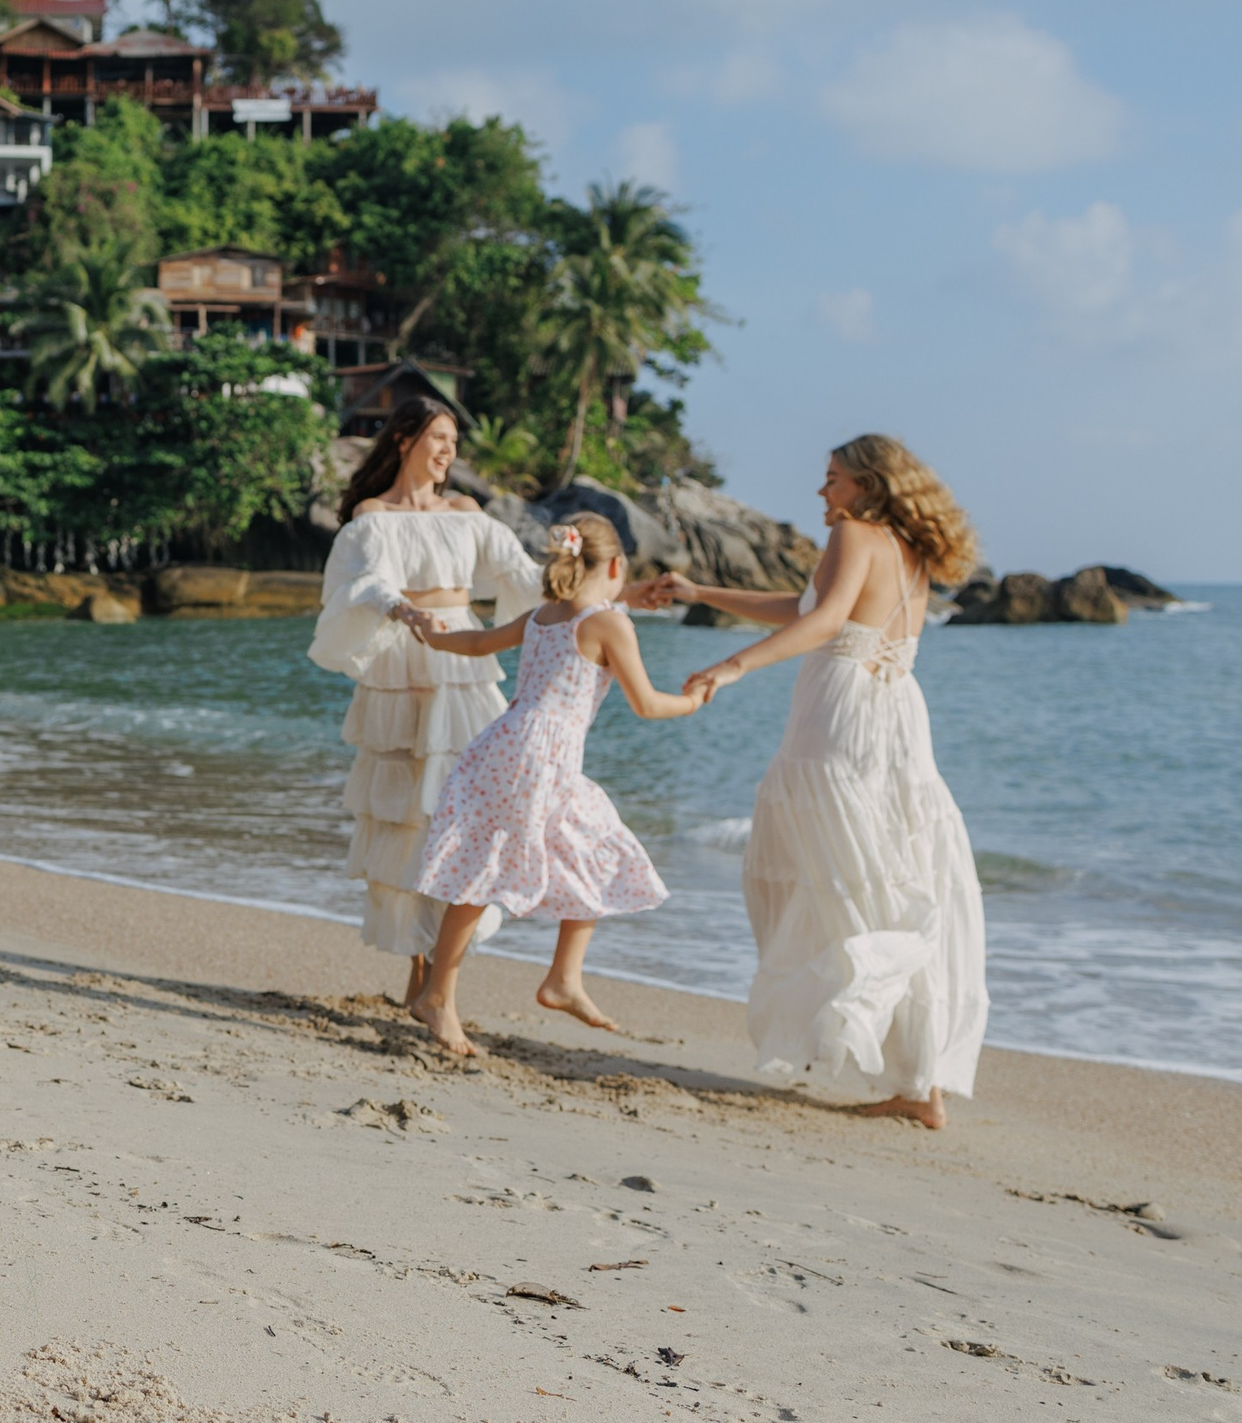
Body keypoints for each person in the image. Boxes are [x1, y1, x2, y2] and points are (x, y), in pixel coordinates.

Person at [635, 434, 985, 1130]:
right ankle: (920, 1083)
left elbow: (822, 622)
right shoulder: (907, 548)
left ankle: (892, 1061)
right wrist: (702, 593)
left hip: (842, 710)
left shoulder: (855, 532)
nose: (823, 493)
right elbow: (810, 609)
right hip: (896, 711)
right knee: (882, 878)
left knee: (834, 874)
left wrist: (730, 667)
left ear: (867, 484)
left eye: (833, 479)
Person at [397, 515, 703, 1055]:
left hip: (509, 743)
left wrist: (434, 638)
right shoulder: (609, 624)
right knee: (496, 868)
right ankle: (439, 997)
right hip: (540, 757)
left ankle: (561, 979)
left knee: (586, 846)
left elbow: (479, 643)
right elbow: (647, 704)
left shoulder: (544, 616)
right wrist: (694, 701)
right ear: (614, 566)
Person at [310, 398, 542, 1005]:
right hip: (402, 663)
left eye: (455, 441)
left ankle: (440, 975)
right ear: (404, 440)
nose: (449, 451)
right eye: (439, 437)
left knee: (476, 804)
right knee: (409, 818)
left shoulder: (467, 512)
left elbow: (523, 576)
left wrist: (589, 585)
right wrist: (402, 609)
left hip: (463, 664)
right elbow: (366, 579)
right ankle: (422, 978)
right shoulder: (372, 514)